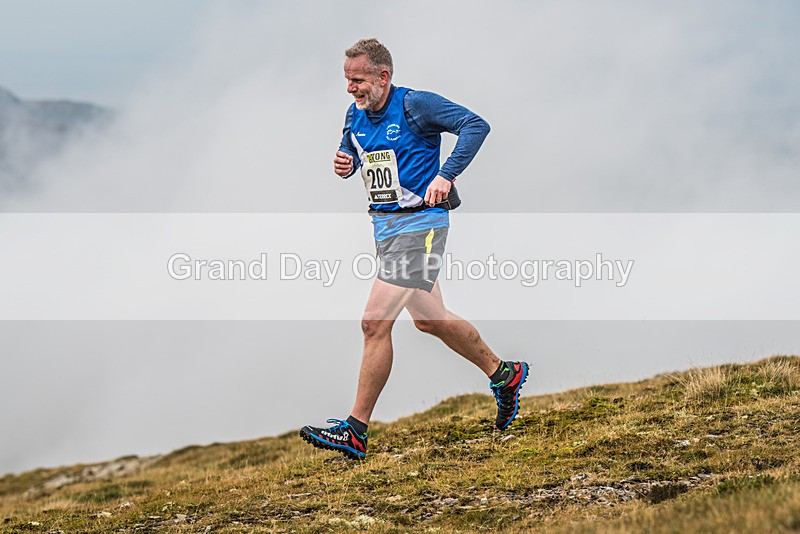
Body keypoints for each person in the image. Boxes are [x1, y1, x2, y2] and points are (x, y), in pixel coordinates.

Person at [300, 38, 529, 460]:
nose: (350, 88)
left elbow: (476, 125)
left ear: (383, 76)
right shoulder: (355, 112)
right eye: (347, 80)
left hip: (421, 226)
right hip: (385, 228)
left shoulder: (415, 105)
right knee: (430, 320)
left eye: (358, 80)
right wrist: (345, 162)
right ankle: (504, 374)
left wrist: (447, 174)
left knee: (374, 323)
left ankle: (355, 430)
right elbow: (354, 149)